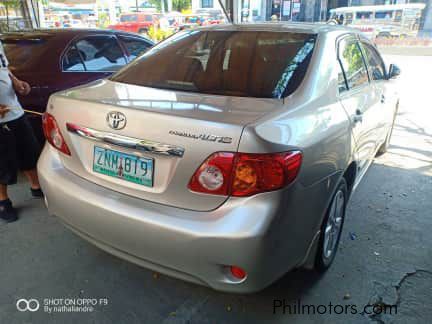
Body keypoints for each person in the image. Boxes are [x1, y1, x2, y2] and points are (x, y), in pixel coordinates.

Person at [0, 39, 43, 223]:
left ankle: (36, 187)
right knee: (2, 162)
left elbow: (4, 68)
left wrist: (17, 82)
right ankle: (3, 202)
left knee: (29, 151)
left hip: (14, 110)